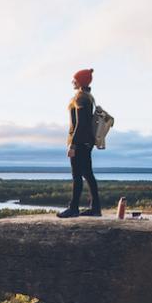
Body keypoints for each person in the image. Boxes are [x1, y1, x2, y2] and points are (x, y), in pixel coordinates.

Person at [57, 68, 101, 218]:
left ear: (80, 81)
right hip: (87, 142)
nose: (72, 82)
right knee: (88, 174)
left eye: (75, 79)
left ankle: (73, 208)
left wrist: (73, 144)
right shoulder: (88, 97)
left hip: (80, 142)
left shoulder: (80, 98)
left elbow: (80, 124)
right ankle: (95, 208)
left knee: (77, 176)